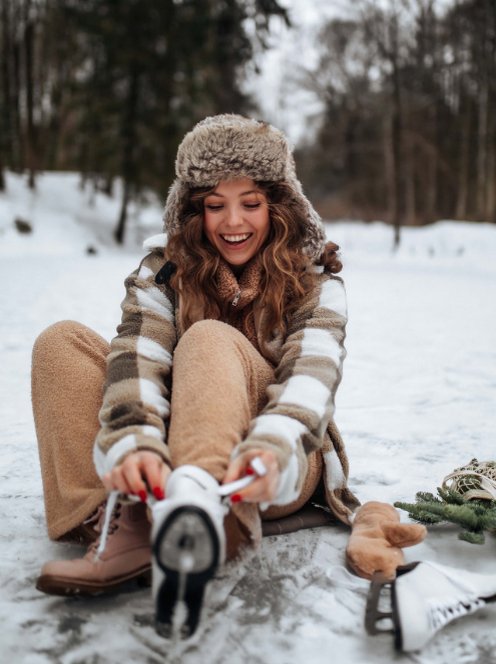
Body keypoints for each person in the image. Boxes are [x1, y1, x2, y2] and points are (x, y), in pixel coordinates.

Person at [31, 114, 363, 637]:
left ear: (278, 206)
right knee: (60, 344)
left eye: (250, 203)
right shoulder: (164, 270)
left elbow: (312, 375)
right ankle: (124, 522)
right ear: (192, 210)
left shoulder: (315, 282)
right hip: (171, 440)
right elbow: (138, 352)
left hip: (274, 459)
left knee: (207, 336)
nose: (233, 221)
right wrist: (133, 439)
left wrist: (275, 443)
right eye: (215, 205)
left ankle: (204, 509)